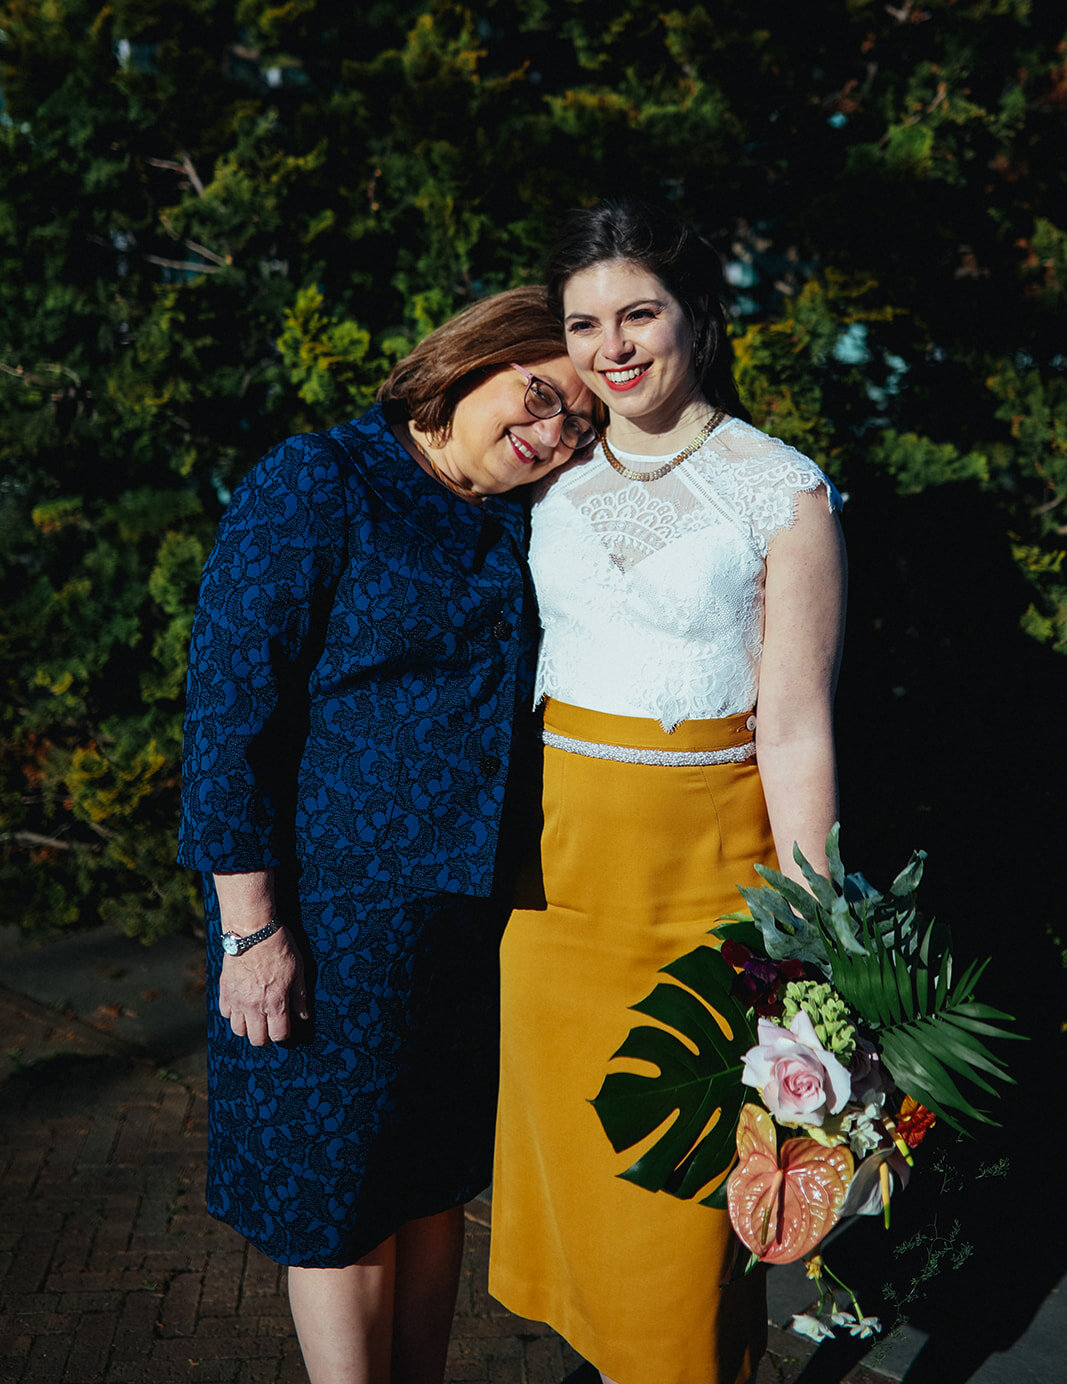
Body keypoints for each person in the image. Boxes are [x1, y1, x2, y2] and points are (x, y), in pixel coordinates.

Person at [178, 287, 595, 1384]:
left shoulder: (522, 513)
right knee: (342, 1202)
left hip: (462, 922)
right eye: (543, 393)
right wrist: (249, 930)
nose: (551, 433)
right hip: (328, 920)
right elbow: (229, 714)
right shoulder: (322, 478)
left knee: (428, 1182)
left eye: (578, 425)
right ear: (476, 358)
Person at [488, 201, 847, 1384]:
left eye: (637, 311)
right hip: (555, 891)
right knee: (580, 1208)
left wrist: (810, 936)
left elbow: (793, 725)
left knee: (684, 1221)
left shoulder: (778, 490)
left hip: (700, 893)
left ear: (694, 313)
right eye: (584, 322)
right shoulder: (545, 472)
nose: (612, 346)